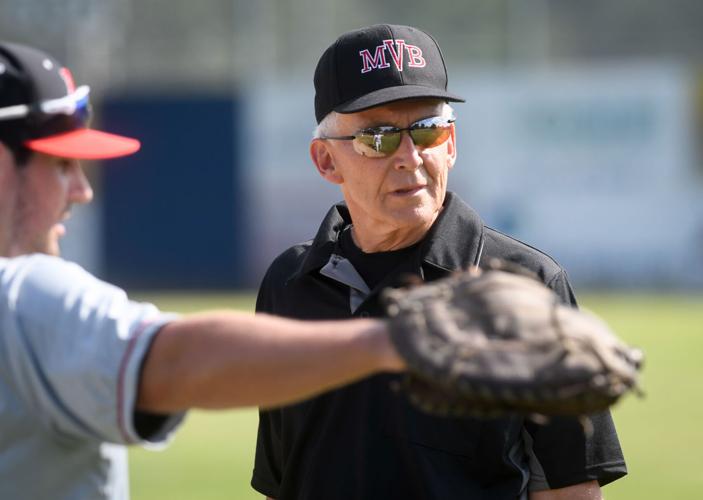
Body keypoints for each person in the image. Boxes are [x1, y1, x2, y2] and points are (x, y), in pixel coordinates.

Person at [0, 41, 407, 500]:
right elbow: (175, 361)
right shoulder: (20, 298)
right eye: (60, 164)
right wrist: (394, 340)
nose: (80, 190)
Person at [252, 24, 627, 500]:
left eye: (428, 130)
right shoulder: (288, 285)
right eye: (378, 137)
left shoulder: (526, 286)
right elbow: (281, 480)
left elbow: (570, 489)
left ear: (451, 144)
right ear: (326, 160)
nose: (410, 156)